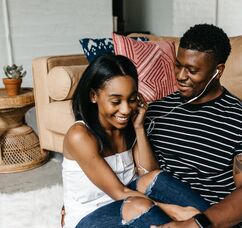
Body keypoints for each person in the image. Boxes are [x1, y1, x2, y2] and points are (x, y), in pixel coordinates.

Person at [61, 53, 210, 228]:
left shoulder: (128, 124)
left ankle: (213, 220)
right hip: (89, 216)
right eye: (116, 101)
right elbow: (119, 192)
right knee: (141, 205)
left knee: (156, 177)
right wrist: (175, 211)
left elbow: (148, 171)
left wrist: (139, 127)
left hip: (129, 198)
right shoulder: (80, 135)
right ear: (93, 96)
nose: (125, 110)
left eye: (131, 99)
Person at [146, 24, 242, 228]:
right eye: (178, 65)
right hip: (162, 206)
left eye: (192, 70)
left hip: (210, 218)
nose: (181, 76)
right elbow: (145, 173)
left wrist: (196, 223)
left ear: (217, 71)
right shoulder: (158, 109)